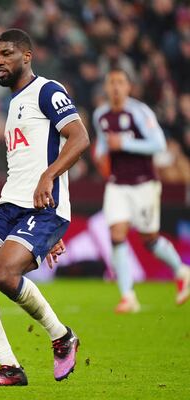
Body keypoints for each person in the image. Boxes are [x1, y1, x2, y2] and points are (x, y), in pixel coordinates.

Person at [0, 29, 89, 387]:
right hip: (11, 204)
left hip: (43, 207)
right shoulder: (13, 103)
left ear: (27, 56)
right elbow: (25, 162)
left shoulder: (47, 90)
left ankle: (62, 337)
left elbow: (80, 137)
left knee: (3, 273)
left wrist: (49, 178)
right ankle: (9, 368)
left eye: (6, 54)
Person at [93, 67, 190, 313]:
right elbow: (103, 146)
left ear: (128, 87)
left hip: (144, 183)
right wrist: (100, 154)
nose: (115, 87)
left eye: (120, 82)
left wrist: (125, 142)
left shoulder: (139, 112)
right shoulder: (100, 115)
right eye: (111, 82)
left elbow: (158, 144)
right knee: (116, 233)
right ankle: (128, 296)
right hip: (117, 184)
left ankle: (181, 271)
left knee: (149, 239)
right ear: (106, 87)